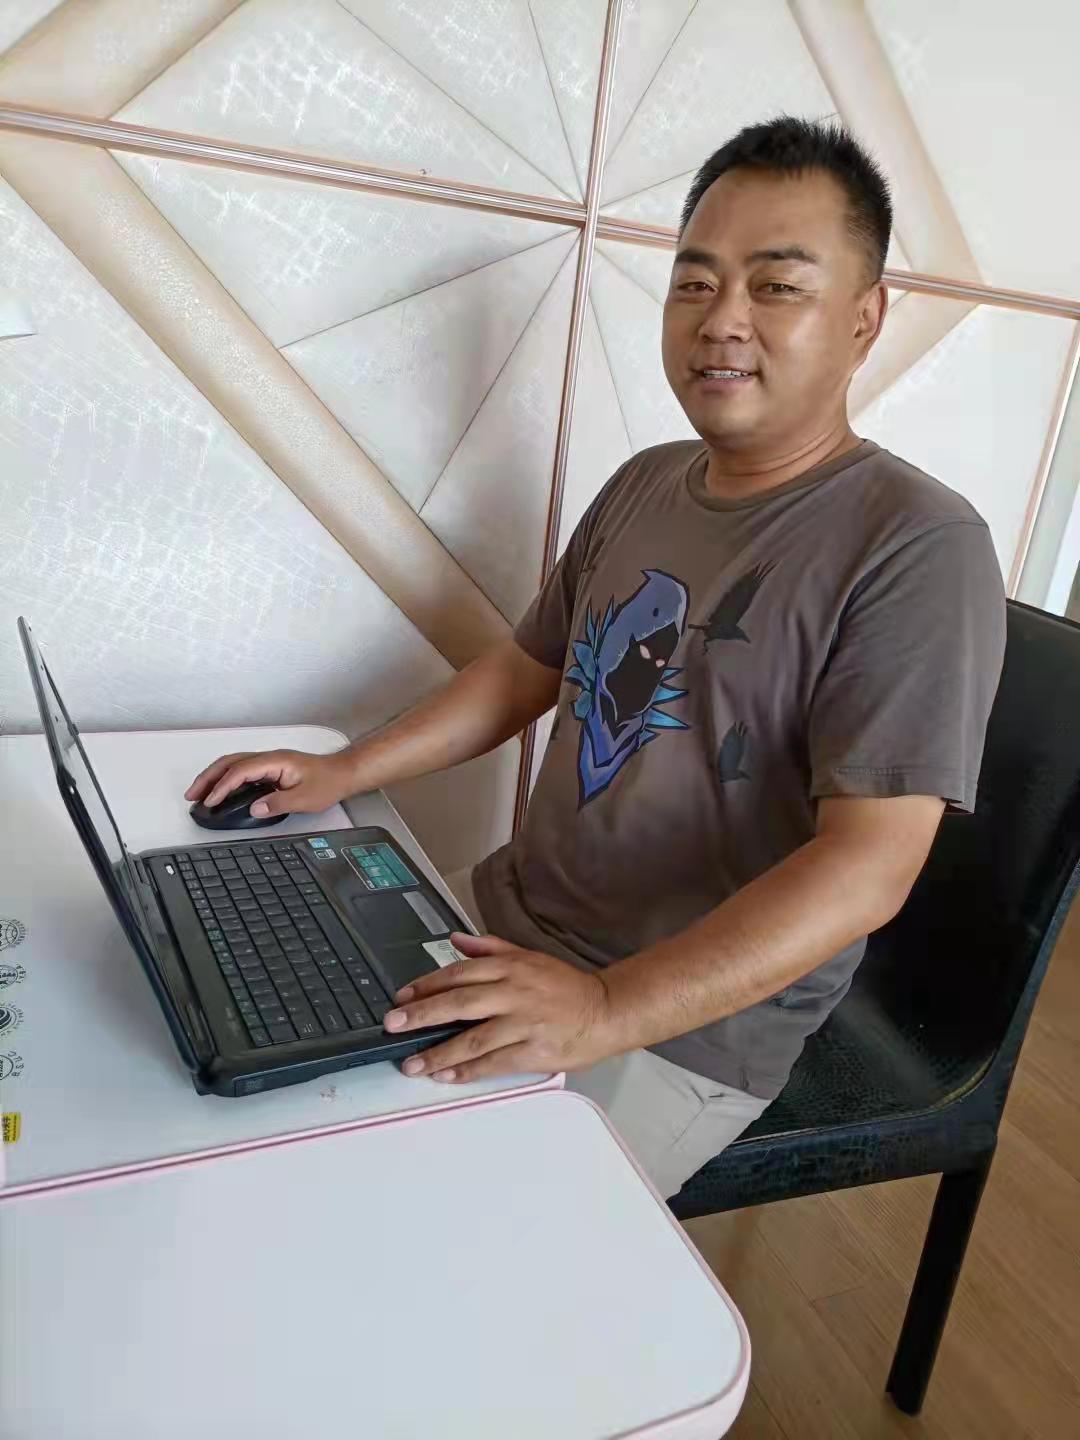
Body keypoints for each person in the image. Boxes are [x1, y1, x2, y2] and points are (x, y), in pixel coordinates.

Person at [186, 117, 1005, 1200]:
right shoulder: (647, 482)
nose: (722, 321)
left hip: (679, 1024)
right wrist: (346, 768)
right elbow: (524, 670)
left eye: (776, 287)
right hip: (502, 928)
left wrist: (607, 1008)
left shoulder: (918, 544)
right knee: (242, 1073)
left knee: (422, 1232)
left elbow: (870, 869)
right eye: (694, 283)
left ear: (865, 318)